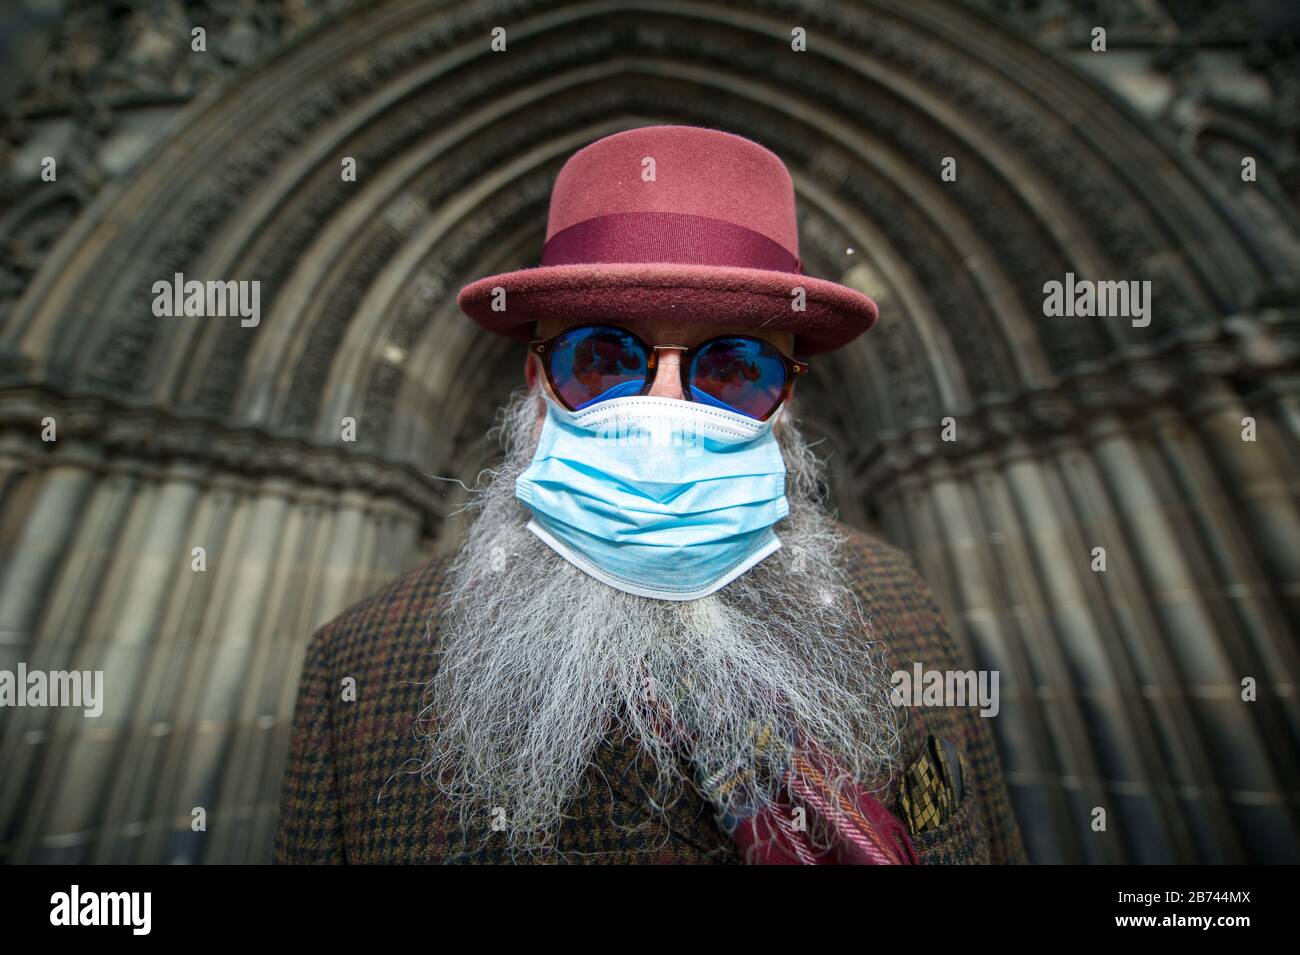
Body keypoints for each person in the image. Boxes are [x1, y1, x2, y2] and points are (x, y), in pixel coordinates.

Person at [273, 125, 1027, 864]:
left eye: (735, 367)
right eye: (601, 357)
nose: (667, 412)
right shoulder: (362, 666)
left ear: (787, 401)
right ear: (537, 384)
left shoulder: (899, 605)